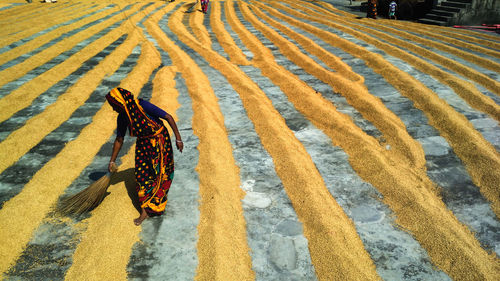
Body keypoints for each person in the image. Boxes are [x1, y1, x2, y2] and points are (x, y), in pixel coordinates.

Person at [106, 87, 183, 226]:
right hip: (143, 144)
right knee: (142, 175)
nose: (113, 109)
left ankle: (152, 207)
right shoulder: (122, 117)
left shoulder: (142, 105)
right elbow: (119, 139)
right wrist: (112, 161)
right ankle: (145, 208)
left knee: (160, 173)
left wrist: (178, 138)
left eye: (114, 106)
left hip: (159, 141)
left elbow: (168, 117)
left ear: (121, 103)